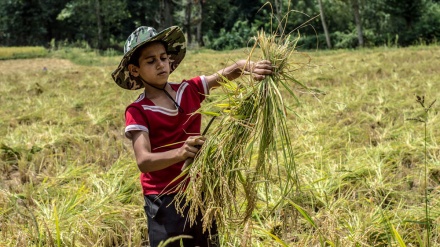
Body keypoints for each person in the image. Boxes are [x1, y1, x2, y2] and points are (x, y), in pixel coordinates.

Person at [111, 26, 273, 247]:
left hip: (199, 191)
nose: (160, 64)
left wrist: (249, 66)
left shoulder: (188, 90)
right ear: (135, 69)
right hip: (164, 199)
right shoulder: (138, 110)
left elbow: (229, 73)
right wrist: (181, 153)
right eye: (150, 61)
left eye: (163, 58)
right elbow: (144, 161)